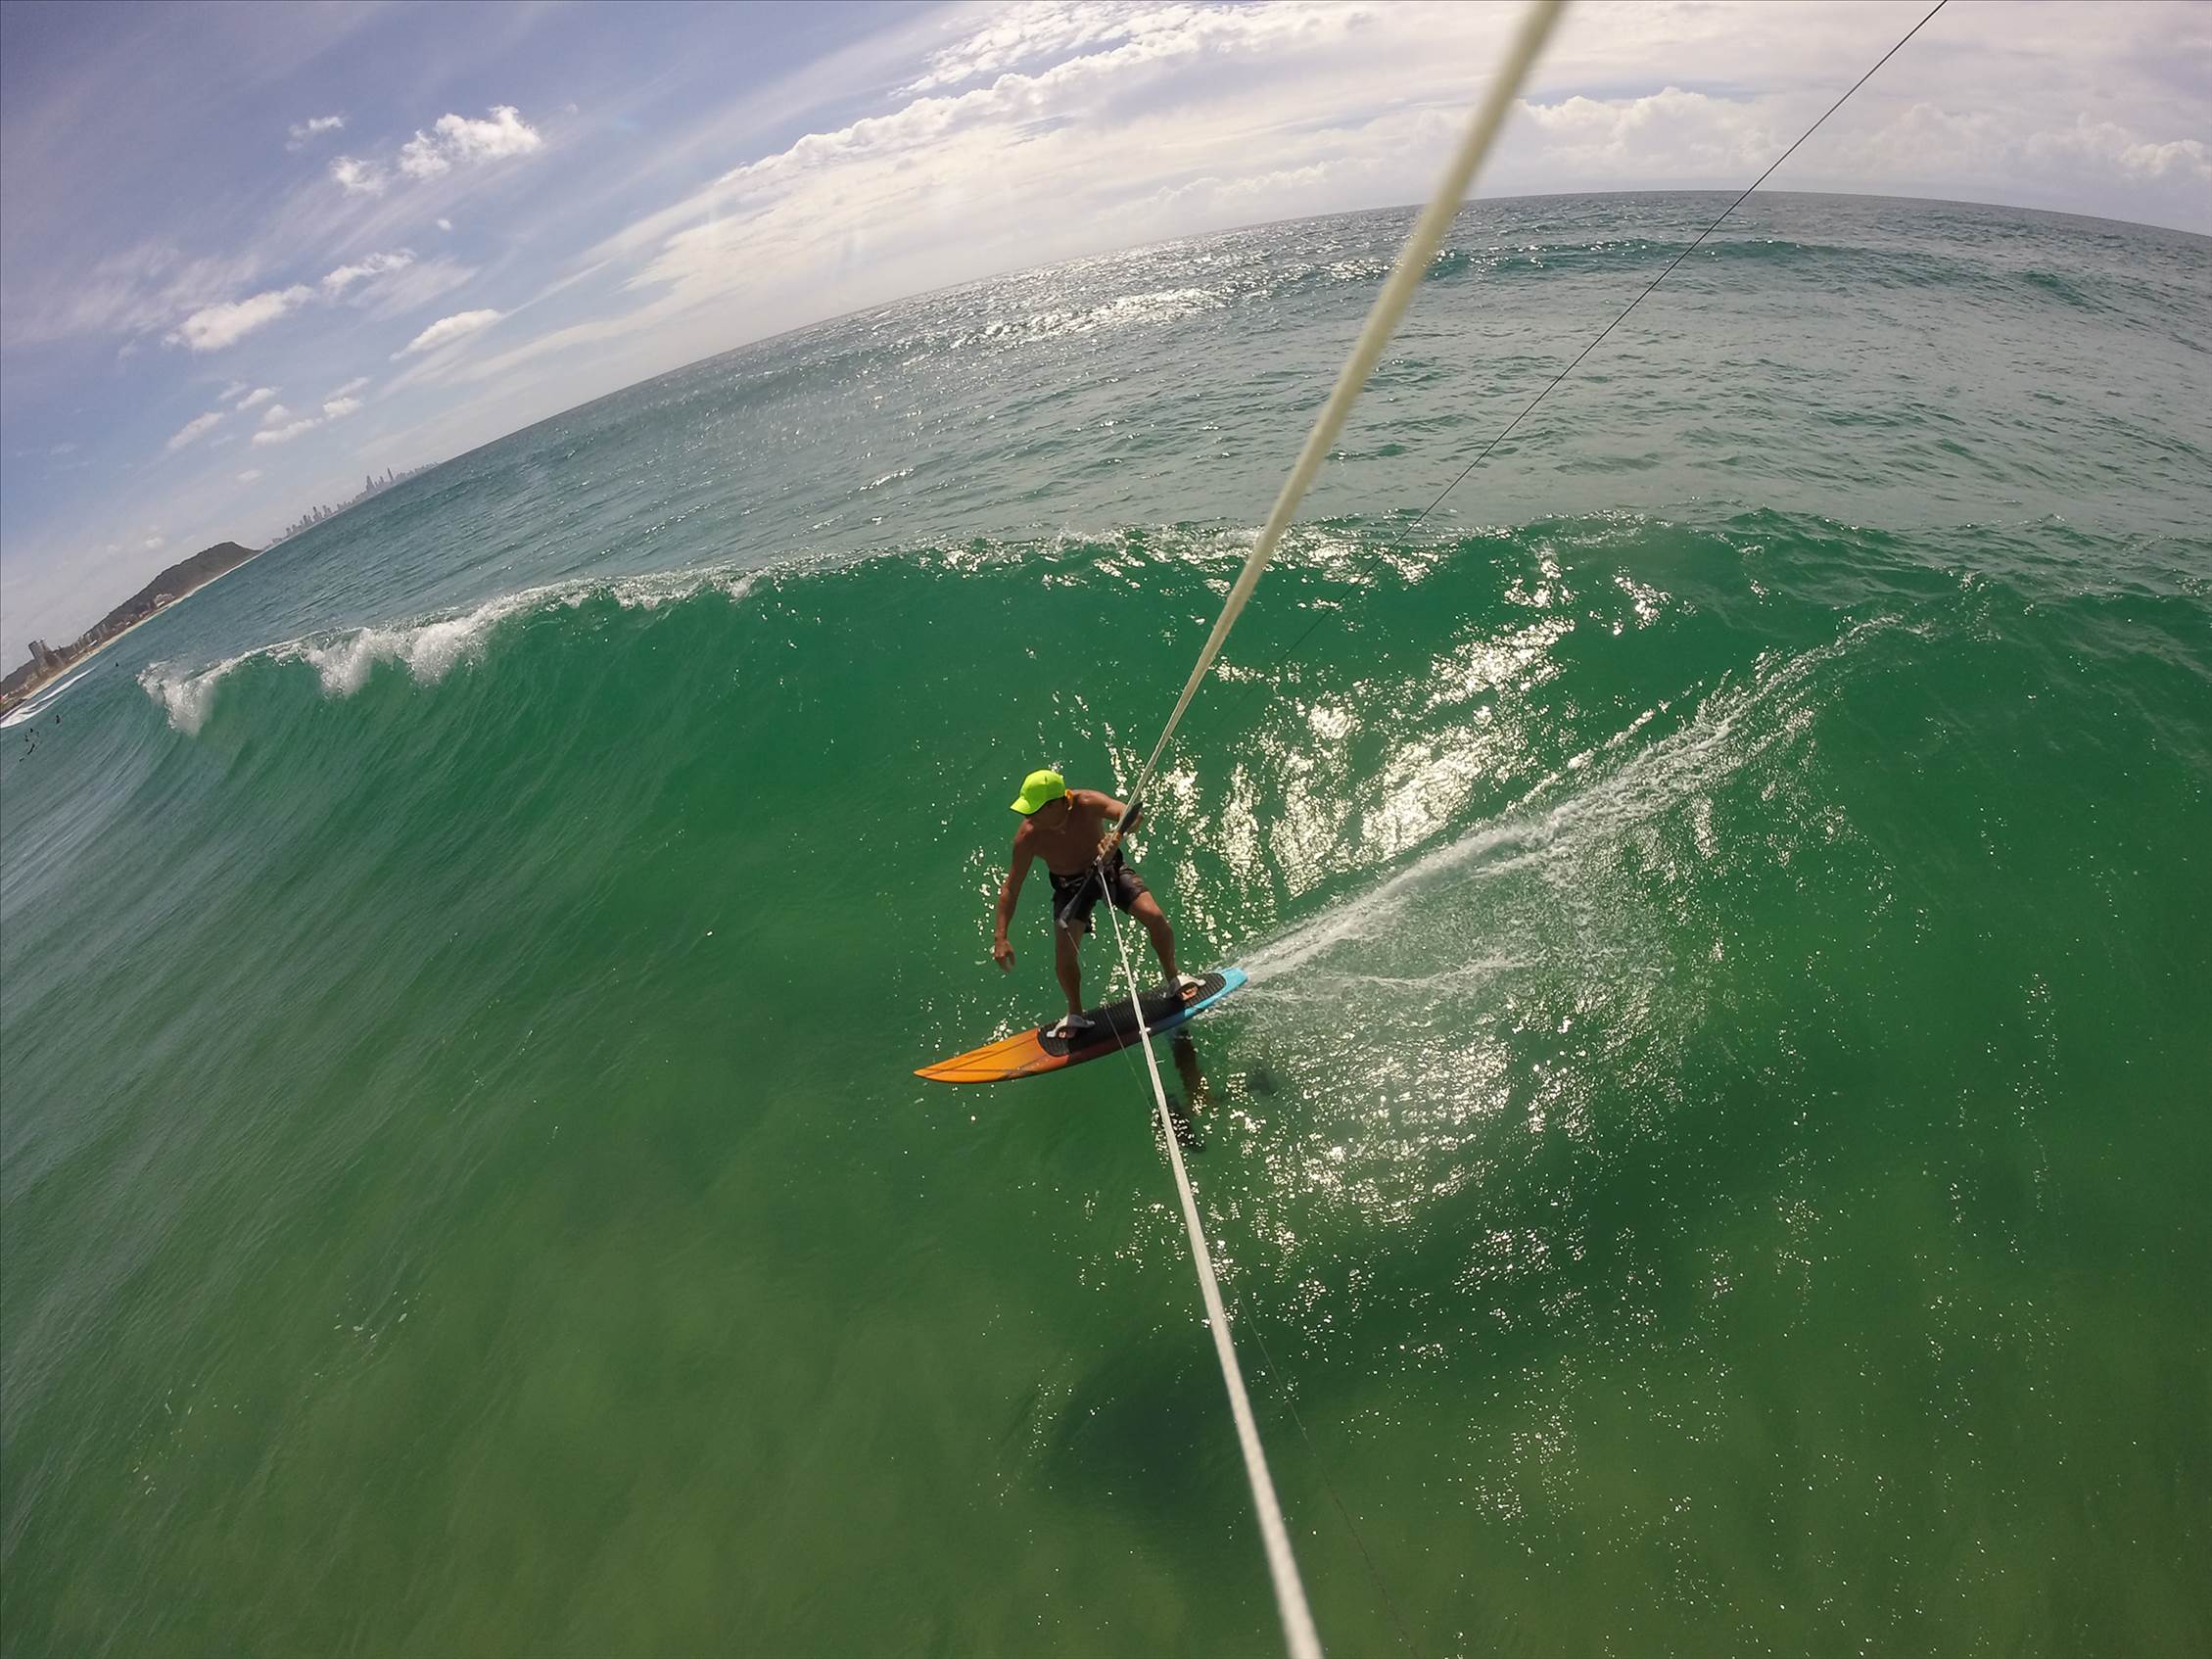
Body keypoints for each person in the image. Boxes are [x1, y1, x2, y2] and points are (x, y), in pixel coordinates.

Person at [992, 768, 1199, 1038]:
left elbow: (1131, 814)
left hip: (1107, 869)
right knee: (1064, 957)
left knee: (1155, 917)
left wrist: (1117, 834)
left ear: (1056, 804)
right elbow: (1011, 886)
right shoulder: (1028, 836)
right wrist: (1001, 936)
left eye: (1033, 810)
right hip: (1070, 887)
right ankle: (1075, 1013)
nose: (1027, 817)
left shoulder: (1087, 803)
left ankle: (1174, 977)